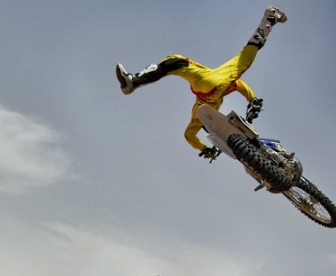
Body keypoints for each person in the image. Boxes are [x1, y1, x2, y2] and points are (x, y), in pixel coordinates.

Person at [115, 6, 287, 160]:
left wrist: (205, 150)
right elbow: (240, 85)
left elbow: (189, 135)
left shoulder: (198, 110)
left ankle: (134, 81)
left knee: (175, 60)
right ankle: (269, 19)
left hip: (202, 83)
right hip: (211, 82)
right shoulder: (211, 101)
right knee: (247, 52)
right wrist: (253, 100)